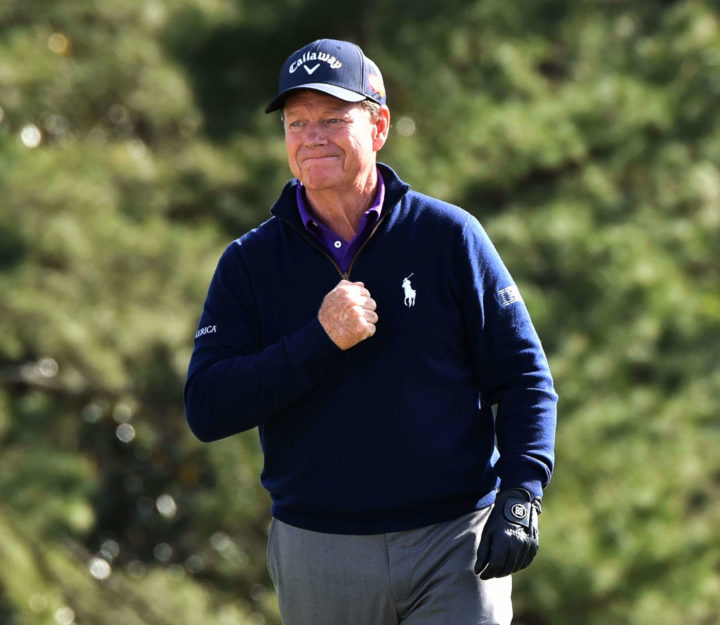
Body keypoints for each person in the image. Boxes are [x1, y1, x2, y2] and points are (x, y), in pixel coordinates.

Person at [185, 38, 558, 625]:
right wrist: (318, 340)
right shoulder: (250, 262)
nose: (312, 136)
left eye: (333, 118)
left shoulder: (448, 236)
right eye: (296, 121)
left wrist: (521, 495)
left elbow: (524, 378)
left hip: (454, 541)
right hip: (318, 547)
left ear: (379, 125)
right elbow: (207, 407)